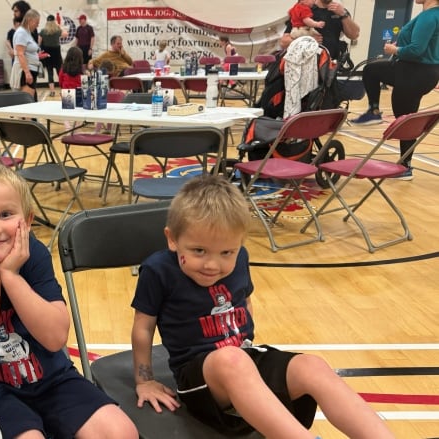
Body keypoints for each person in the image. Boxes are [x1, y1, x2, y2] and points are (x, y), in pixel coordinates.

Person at [130, 175, 396, 439]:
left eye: (226, 253)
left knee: (312, 366)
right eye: (199, 251)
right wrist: (145, 381)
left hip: (243, 359)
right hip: (199, 380)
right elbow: (143, 327)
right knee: (231, 359)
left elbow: (244, 301)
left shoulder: (241, 258)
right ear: (173, 239)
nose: (213, 265)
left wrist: (249, 359)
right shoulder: (158, 270)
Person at [0, 162, 138, 439]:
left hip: (48, 378)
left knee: (120, 431)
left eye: (5, 214)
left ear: (27, 221)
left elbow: (54, 339)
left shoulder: (34, 256)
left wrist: (11, 275)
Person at [349, 0, 439, 181]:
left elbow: (416, 50)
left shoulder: (429, 17)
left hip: (414, 72)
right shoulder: (432, 15)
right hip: (420, 72)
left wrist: (395, 49)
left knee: (404, 119)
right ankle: (405, 164)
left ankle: (404, 165)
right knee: (404, 115)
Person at [281, 0, 360, 61]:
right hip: (305, 65)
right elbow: (284, 42)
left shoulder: (341, 11)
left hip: (330, 67)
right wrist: (306, 41)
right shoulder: (304, 8)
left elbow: (354, 35)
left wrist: (343, 14)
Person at [13, 9, 42, 101]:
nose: (37, 25)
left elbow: (27, 51)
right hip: (25, 72)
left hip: (31, 70)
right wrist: (27, 72)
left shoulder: (27, 33)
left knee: (32, 102)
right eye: (36, 22)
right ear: (30, 20)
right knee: (27, 104)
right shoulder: (21, 33)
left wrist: (38, 56)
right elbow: (20, 54)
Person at [39, 15, 63, 97]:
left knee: (50, 73)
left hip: (47, 54)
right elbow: (66, 34)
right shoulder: (57, 31)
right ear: (54, 21)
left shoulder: (42, 31)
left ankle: (52, 92)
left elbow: (39, 43)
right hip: (56, 54)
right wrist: (59, 26)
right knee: (60, 72)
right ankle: (62, 90)